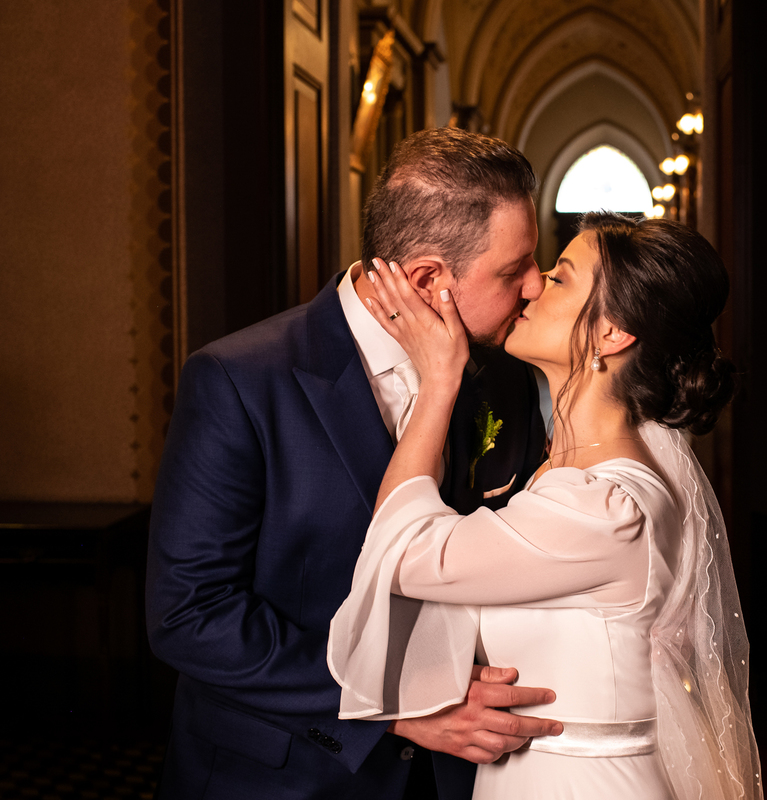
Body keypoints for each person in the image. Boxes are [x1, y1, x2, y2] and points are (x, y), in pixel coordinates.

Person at [146, 127, 563, 800]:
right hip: (283, 777)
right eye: (513, 271)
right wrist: (397, 705)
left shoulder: (507, 376)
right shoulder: (239, 381)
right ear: (429, 280)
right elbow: (190, 615)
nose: (536, 286)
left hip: (461, 778)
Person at [328, 212, 762, 799]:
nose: (533, 286)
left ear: (612, 333)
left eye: (559, 278)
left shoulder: (605, 509)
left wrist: (438, 381)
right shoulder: (562, 471)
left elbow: (402, 555)